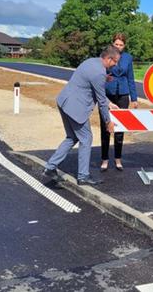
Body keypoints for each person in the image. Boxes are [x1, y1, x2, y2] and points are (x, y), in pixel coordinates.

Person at [43, 46, 120, 186]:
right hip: (76, 108)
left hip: (64, 101)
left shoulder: (91, 62)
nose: (116, 65)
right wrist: (108, 122)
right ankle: (83, 176)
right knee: (86, 138)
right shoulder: (99, 73)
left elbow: (89, 85)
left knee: (72, 137)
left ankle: (50, 167)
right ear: (109, 59)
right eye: (115, 62)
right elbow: (101, 101)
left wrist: (109, 102)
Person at [99, 33, 139, 172]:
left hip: (122, 94)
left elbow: (131, 78)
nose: (119, 47)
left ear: (124, 46)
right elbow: (100, 76)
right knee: (106, 127)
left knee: (119, 129)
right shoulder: (105, 56)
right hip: (107, 94)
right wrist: (101, 96)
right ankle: (104, 159)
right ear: (112, 44)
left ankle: (118, 159)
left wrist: (134, 98)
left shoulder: (128, 58)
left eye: (121, 45)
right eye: (116, 44)